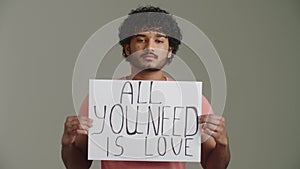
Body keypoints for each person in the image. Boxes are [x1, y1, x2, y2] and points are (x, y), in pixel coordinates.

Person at [61, 6, 230, 169]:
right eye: (141, 40)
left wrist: (222, 143)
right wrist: (68, 144)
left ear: (170, 50)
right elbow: (78, 165)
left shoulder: (191, 100)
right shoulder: (100, 99)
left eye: (159, 40)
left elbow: (214, 166)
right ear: (127, 49)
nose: (150, 47)